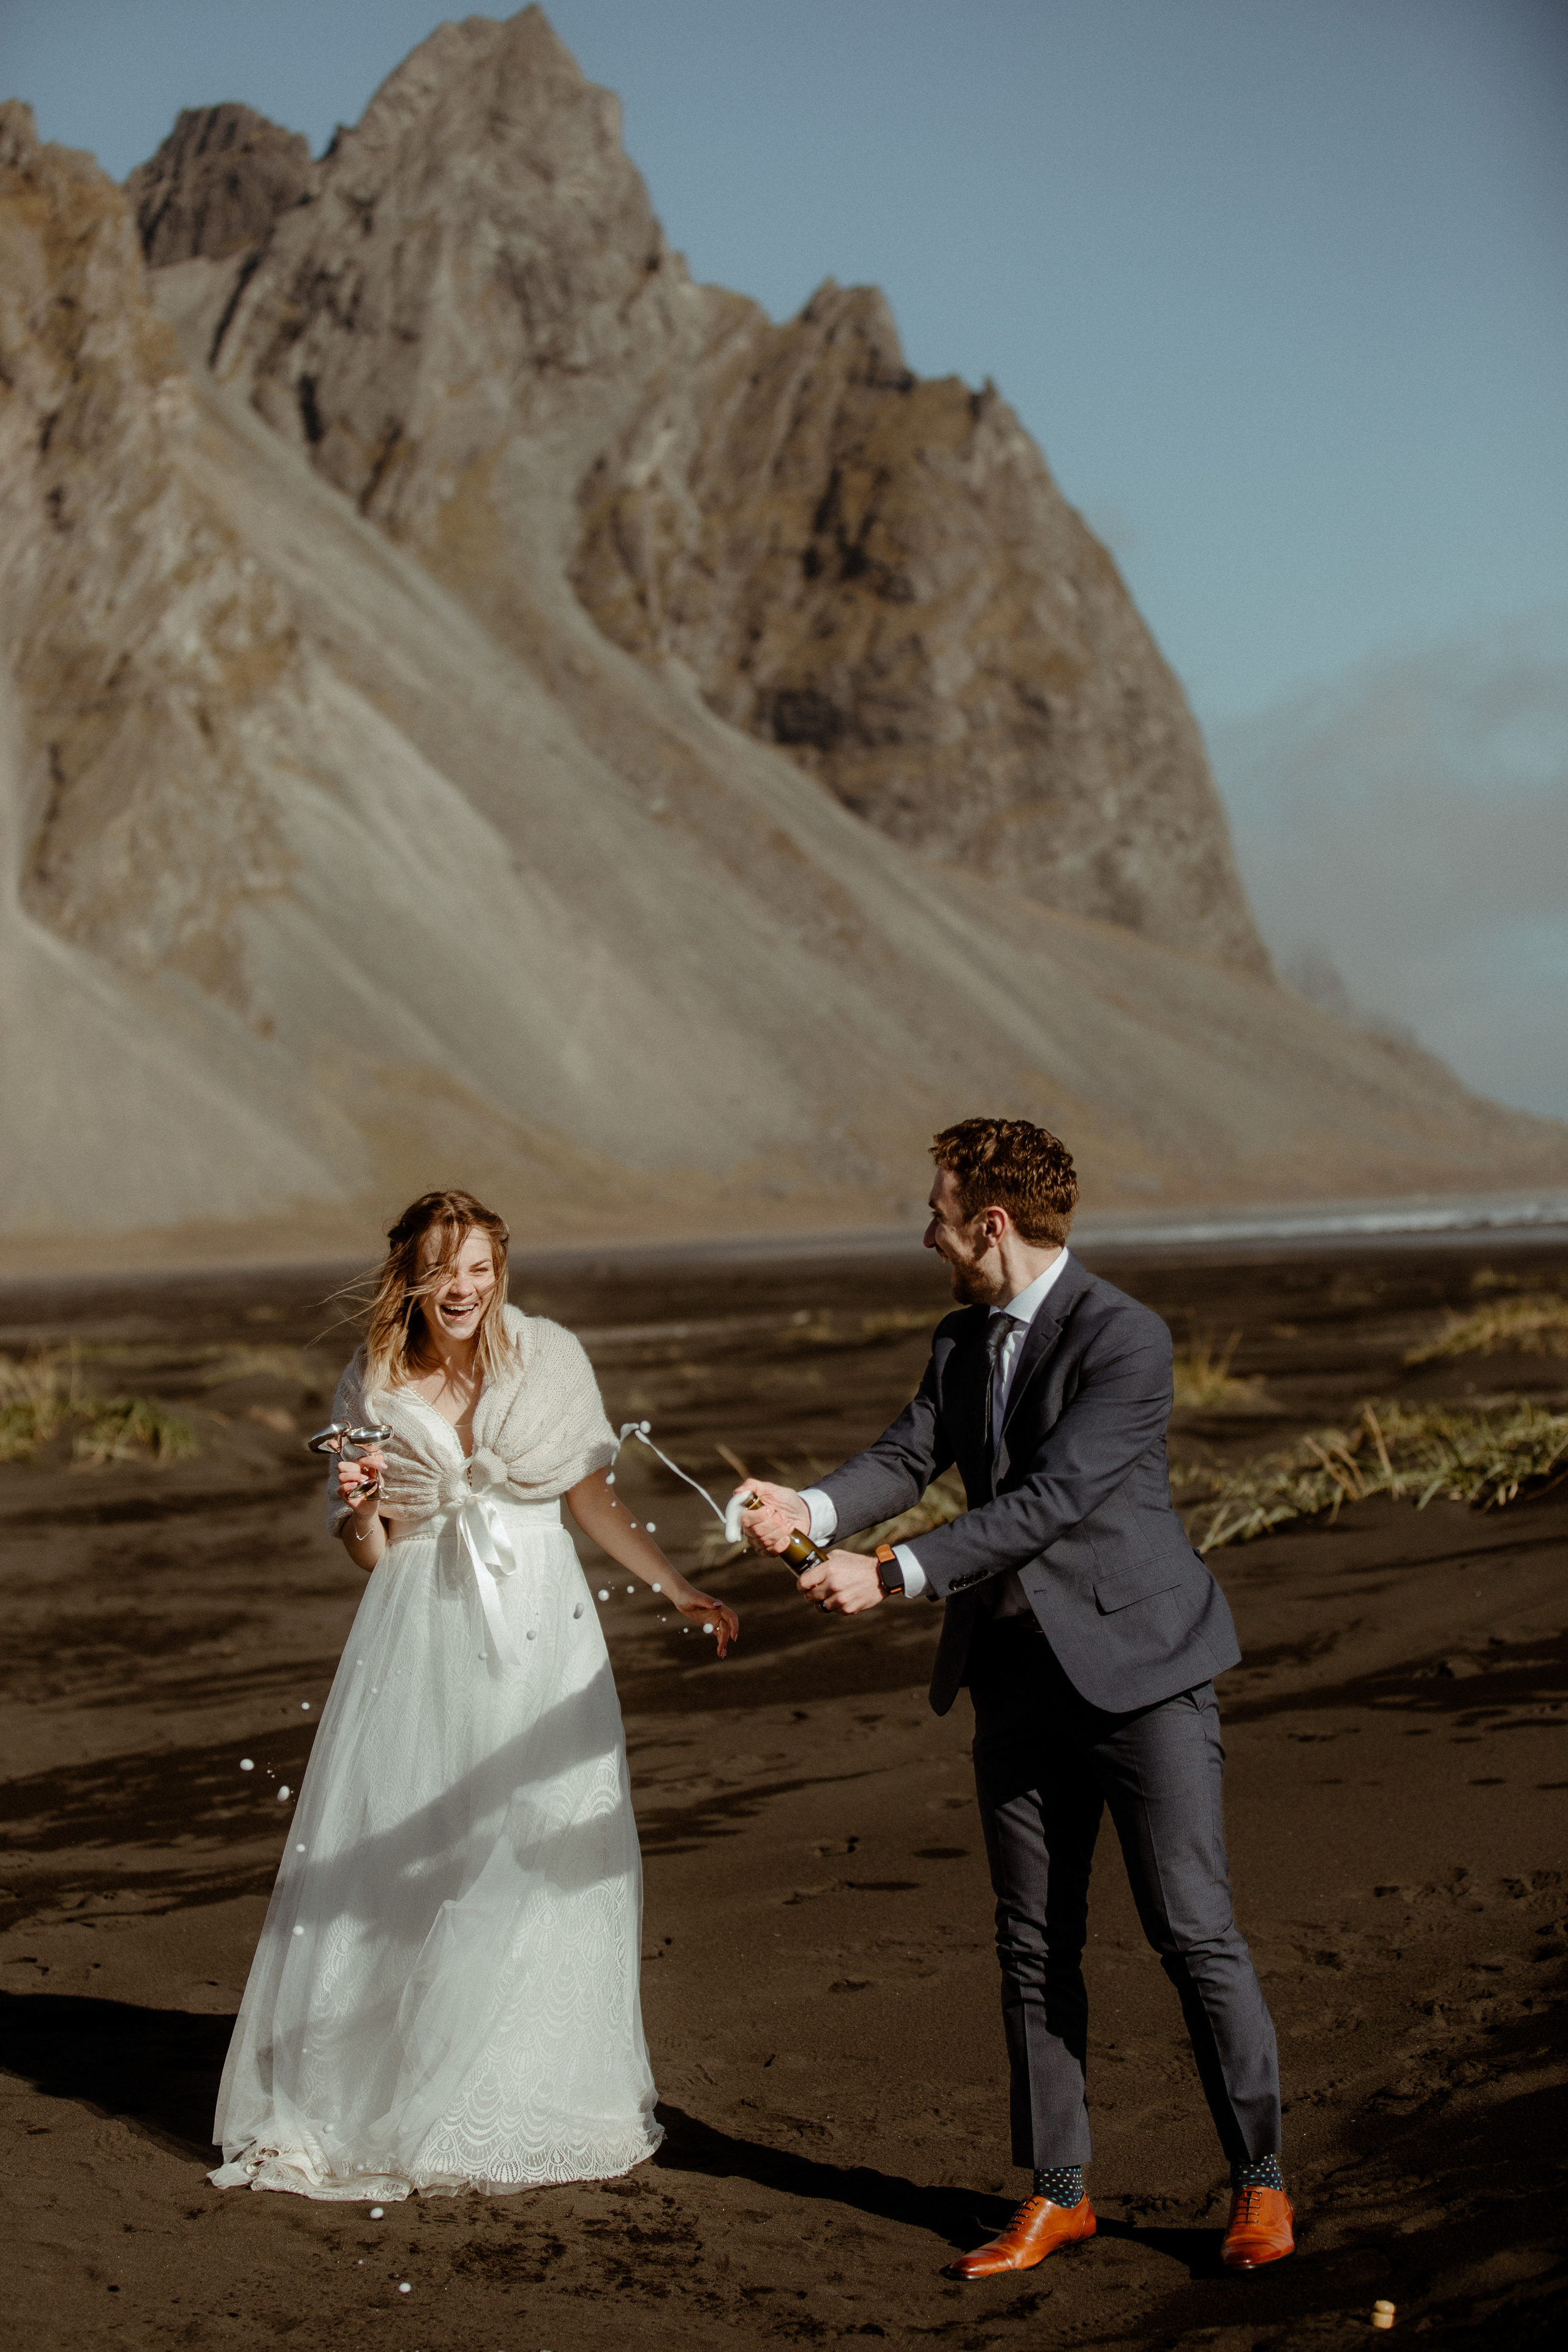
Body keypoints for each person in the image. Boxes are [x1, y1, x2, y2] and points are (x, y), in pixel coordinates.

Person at [738, 1118, 1293, 2278]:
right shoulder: (958, 1342)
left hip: (1146, 1675)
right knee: (1033, 1945)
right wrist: (809, 1510)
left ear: (990, 1223)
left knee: (1193, 1934)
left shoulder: (1125, 1338)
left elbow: (1053, 1502)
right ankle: (1057, 2194)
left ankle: (1259, 2185)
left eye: (936, 1212)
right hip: (1014, 1683)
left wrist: (890, 1573)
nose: (924, 1231)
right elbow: (904, 1458)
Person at [211, 1187, 737, 2201]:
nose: (465, 1288)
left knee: (541, 1845)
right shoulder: (368, 1382)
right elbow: (372, 1551)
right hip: (419, 1636)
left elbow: (590, 1496)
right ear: (410, 1269)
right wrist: (363, 1504)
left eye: (482, 1267)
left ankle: (530, 2088)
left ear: (503, 1272)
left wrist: (676, 1586)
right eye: (445, 1267)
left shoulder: (549, 1359)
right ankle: (391, 2086)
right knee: (420, 1851)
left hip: (543, 1629)